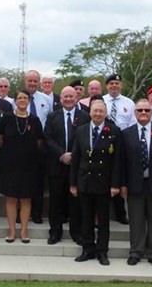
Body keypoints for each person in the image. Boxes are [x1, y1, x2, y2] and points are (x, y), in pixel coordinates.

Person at [120, 99, 152, 267]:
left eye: (146, 110)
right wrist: (122, 184)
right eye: (140, 110)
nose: (143, 113)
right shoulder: (126, 133)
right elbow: (121, 162)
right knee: (136, 220)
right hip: (134, 184)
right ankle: (136, 251)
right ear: (134, 113)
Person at [70, 98, 121, 265]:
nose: (98, 114)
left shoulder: (114, 131)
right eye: (95, 111)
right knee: (86, 218)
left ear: (105, 113)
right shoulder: (81, 130)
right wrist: (73, 183)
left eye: (101, 111)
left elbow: (117, 161)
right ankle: (87, 249)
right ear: (90, 112)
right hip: (85, 181)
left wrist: (115, 184)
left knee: (103, 220)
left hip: (104, 183)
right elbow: (76, 158)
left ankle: (102, 252)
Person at [0, 89, 44, 243]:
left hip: (29, 166)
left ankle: (23, 231)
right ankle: (12, 231)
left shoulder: (35, 120)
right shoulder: (7, 118)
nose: (22, 100)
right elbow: (0, 137)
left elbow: (39, 141)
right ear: (15, 101)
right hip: (10, 164)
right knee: (10, 198)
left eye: (25, 98)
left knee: (25, 199)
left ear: (29, 101)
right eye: (19, 98)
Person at [44, 86, 89, 245]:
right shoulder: (52, 117)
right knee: (55, 200)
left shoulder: (85, 116)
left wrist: (74, 156)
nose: (68, 99)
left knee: (75, 201)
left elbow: (85, 139)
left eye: (71, 96)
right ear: (60, 99)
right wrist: (61, 154)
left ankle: (76, 232)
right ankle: (55, 232)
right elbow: (48, 139)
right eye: (65, 97)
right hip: (57, 164)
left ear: (76, 97)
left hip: (77, 166)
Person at [102, 73, 135, 224]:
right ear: (107, 86)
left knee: (120, 177)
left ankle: (121, 213)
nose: (114, 86)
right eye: (111, 84)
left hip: (123, 144)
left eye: (117, 83)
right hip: (104, 144)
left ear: (121, 85)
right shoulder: (101, 101)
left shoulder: (129, 103)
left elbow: (133, 124)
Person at [24, 70, 52, 223]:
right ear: (25, 81)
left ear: (39, 82)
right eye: (30, 81)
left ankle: (37, 213)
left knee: (39, 181)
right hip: (22, 147)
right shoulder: (19, 98)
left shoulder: (45, 99)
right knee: (23, 180)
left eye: (35, 81)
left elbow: (51, 120)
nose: (33, 84)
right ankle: (23, 213)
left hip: (40, 145)